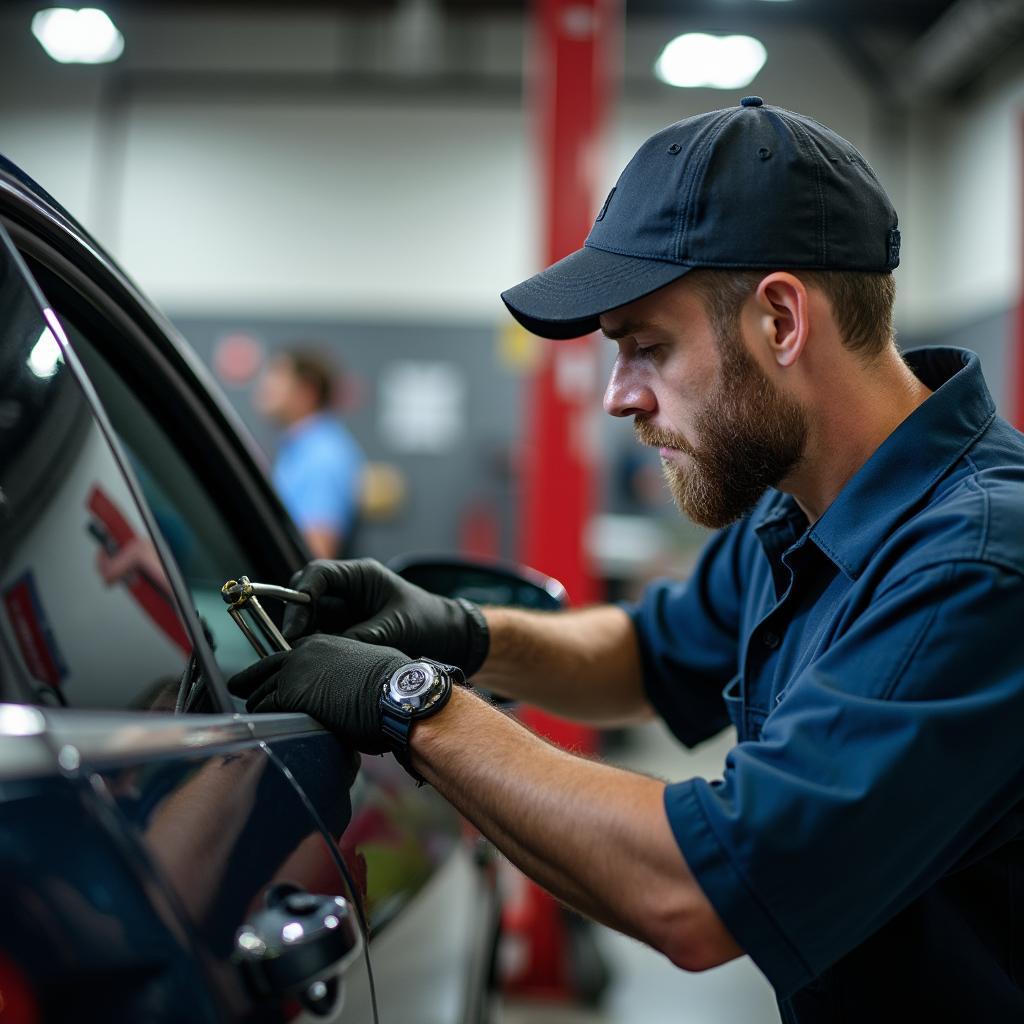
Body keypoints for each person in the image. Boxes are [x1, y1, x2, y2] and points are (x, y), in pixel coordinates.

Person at [230, 99, 1024, 1021]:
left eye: (647, 347)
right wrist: (462, 629)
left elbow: (696, 893)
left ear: (779, 320)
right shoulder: (801, 506)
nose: (616, 397)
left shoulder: (975, 567)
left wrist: (410, 701)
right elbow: (645, 656)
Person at [255, 346, 365, 558]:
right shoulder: (302, 449)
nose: (265, 387)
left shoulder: (322, 456)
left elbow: (314, 556)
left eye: (277, 378)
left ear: (307, 391)